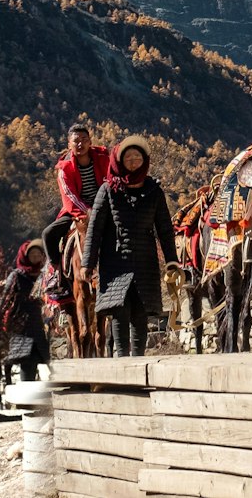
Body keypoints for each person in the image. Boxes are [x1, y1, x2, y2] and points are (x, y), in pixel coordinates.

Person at [85, 134, 179, 357]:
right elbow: (95, 229)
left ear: (144, 160)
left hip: (145, 260)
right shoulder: (107, 190)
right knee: (120, 311)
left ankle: (137, 362)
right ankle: (122, 362)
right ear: (119, 161)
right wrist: (87, 263)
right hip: (115, 261)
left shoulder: (154, 191)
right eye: (128, 157)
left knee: (141, 312)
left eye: (137, 156)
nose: (133, 161)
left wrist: (172, 260)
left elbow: (164, 228)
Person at [41, 124, 111, 273]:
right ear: (69, 144)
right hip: (78, 210)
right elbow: (70, 197)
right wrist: (89, 212)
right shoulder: (65, 169)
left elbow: (112, 182)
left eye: (84, 139)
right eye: (76, 141)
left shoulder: (103, 159)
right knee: (48, 234)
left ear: (90, 142)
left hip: (106, 206)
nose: (80, 144)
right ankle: (56, 273)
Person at [0, 239, 50, 383]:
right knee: (27, 362)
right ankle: (26, 400)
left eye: (39, 254)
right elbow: (5, 298)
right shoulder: (16, 276)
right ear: (25, 256)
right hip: (22, 326)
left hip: (41, 326)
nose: (36, 257)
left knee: (46, 360)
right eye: (32, 254)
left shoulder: (45, 276)